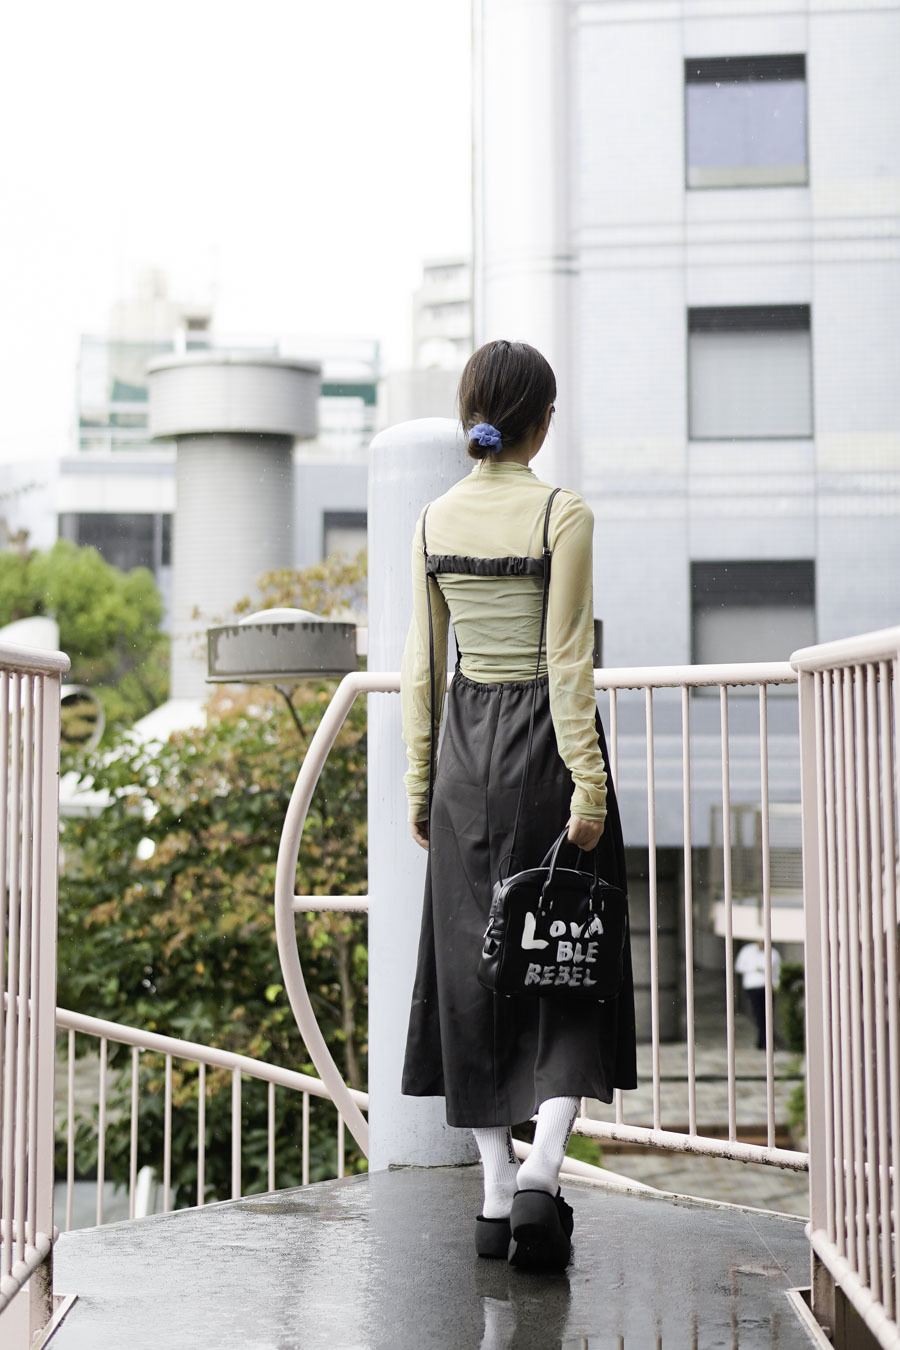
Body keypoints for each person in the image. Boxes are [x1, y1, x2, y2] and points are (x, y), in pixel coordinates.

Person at [399, 339, 637, 1272]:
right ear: (541, 423)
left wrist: (420, 784)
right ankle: (544, 1169)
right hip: (546, 750)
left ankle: (496, 1190)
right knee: (569, 950)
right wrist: (590, 784)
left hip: (464, 754)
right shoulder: (561, 514)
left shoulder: (432, 520)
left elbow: (424, 668)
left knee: (475, 967)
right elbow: (568, 662)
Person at [735, 939, 782, 1050]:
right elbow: (739, 967)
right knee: (759, 1014)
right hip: (752, 987)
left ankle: (763, 1041)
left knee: (767, 1014)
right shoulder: (747, 951)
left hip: (767, 987)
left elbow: (777, 971)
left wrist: (776, 984)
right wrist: (754, 968)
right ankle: (764, 1041)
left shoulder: (773, 953)